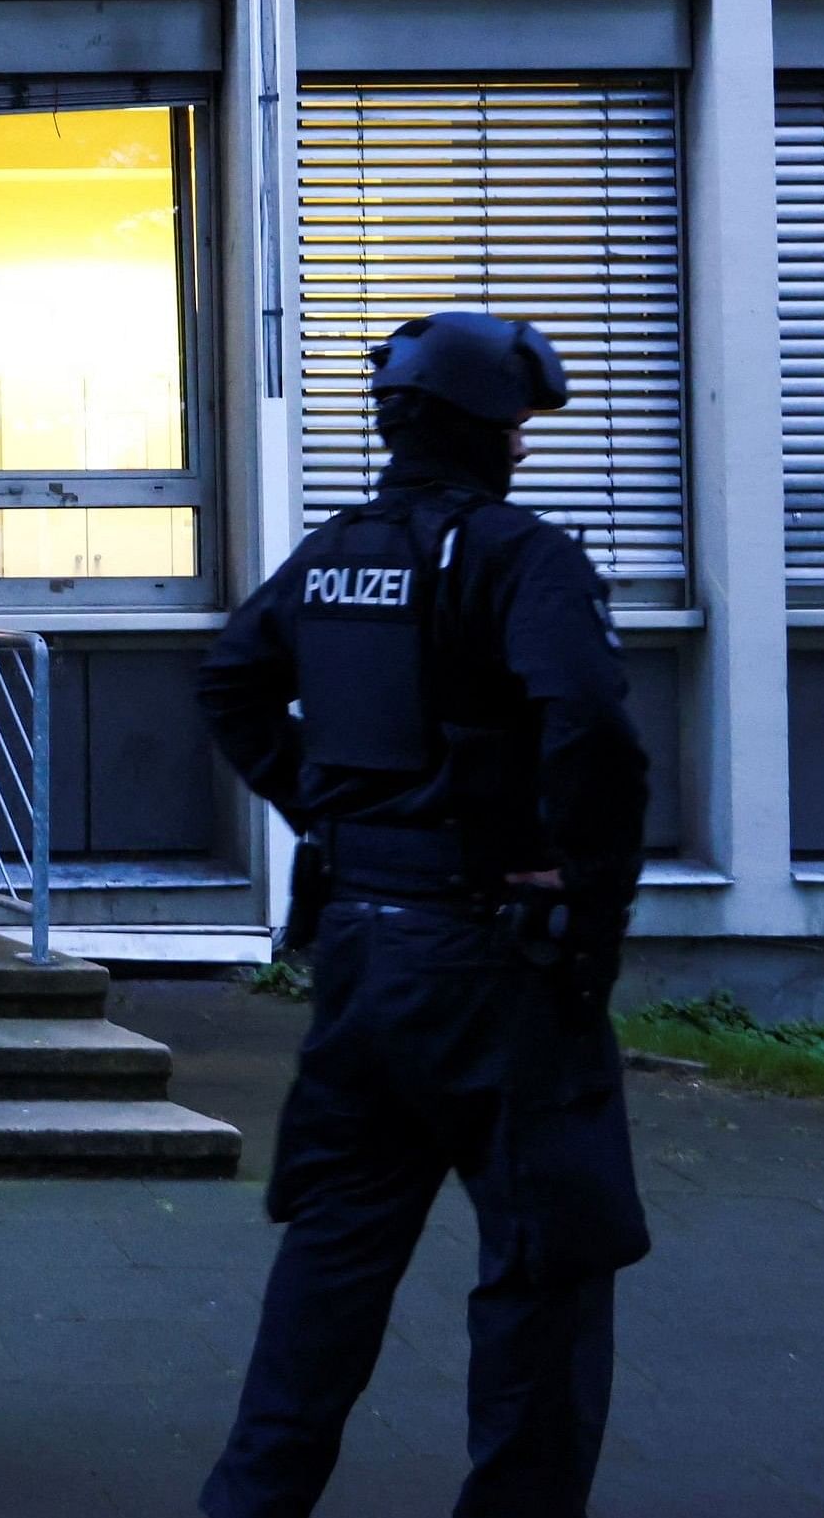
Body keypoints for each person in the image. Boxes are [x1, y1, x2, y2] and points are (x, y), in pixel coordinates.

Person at [195, 312, 654, 1518]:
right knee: (542, 1274)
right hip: (494, 968)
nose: (521, 445)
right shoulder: (520, 556)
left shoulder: (333, 553)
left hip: (358, 962)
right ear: (485, 428)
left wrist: (325, 813)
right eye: (514, 424)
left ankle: (247, 1503)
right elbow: (591, 728)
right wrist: (584, 893)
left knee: (329, 1261)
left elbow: (229, 678)